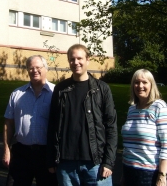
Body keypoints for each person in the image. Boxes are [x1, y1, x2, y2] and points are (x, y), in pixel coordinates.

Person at [47, 44, 118, 186]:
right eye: (72, 59)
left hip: (95, 164)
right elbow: (52, 125)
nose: (76, 62)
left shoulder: (101, 89)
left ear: (87, 60)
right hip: (66, 164)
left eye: (79, 58)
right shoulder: (61, 89)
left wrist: (108, 162)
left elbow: (111, 126)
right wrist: (51, 159)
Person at [2, 55, 58, 186]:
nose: (34, 71)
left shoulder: (56, 93)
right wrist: (6, 150)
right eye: (30, 68)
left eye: (38, 67)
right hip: (22, 153)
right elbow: (8, 123)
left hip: (47, 154)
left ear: (46, 69)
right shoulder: (17, 94)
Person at [121, 69, 167, 186]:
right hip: (128, 169)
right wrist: (124, 175)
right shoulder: (132, 109)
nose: (140, 86)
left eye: (144, 82)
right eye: (136, 82)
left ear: (151, 85)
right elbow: (128, 146)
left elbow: (166, 144)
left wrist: (162, 175)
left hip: (149, 173)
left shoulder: (160, 107)